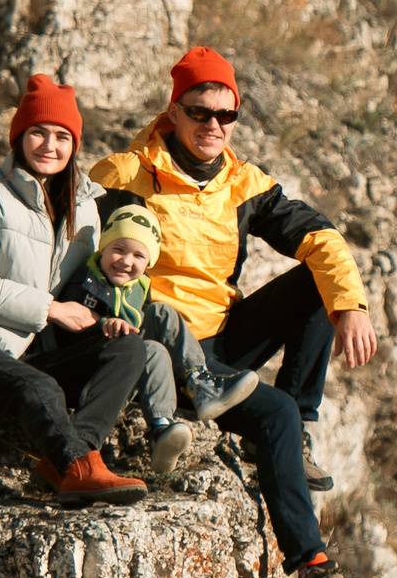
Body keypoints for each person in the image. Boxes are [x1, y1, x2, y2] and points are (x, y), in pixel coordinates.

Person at [90, 46, 382, 578]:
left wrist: (352, 305)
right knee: (268, 411)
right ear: (173, 112)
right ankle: (313, 571)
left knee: (318, 281)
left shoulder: (243, 183)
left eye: (227, 116)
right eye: (201, 112)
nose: (214, 126)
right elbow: (79, 244)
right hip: (164, 343)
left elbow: (318, 236)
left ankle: (299, 426)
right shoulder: (128, 175)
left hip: (225, 335)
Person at [0, 74, 152, 508]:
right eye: (37, 132)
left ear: (74, 144)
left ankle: (73, 459)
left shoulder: (86, 209)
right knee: (38, 388)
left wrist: (106, 316)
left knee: (128, 349)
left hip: (23, 347)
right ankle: (77, 464)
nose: (49, 146)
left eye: (61, 136)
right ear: (19, 137)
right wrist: (52, 309)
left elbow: (89, 279)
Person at [39, 202, 259, 476]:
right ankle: (170, 417)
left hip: (122, 365)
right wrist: (104, 323)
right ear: (103, 248)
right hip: (88, 369)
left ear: (149, 263)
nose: (126, 261)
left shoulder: (139, 287)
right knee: (153, 350)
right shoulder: (86, 280)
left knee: (161, 314)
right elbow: (70, 323)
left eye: (138, 256)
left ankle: (180, 403)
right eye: (118, 249)